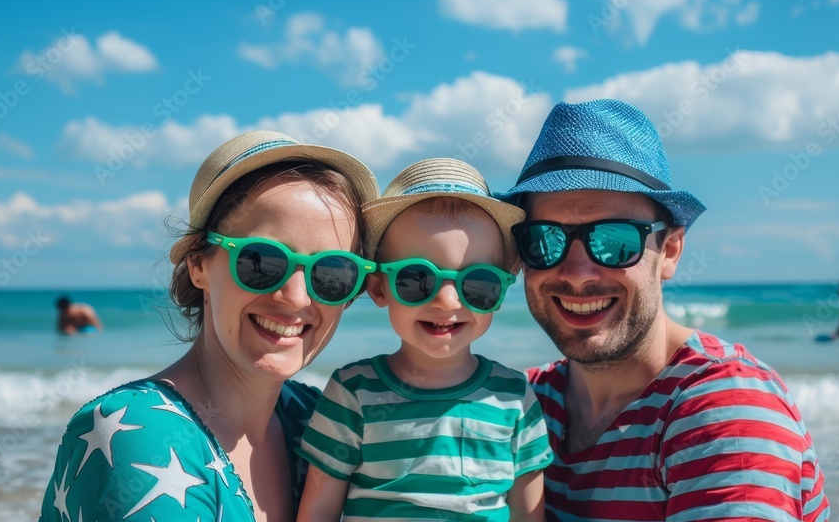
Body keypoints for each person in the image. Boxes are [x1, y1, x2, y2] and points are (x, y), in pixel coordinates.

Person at [498, 100, 831, 521]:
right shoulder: (521, 405)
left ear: (670, 250)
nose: (579, 274)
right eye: (544, 240)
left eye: (614, 241)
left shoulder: (725, 409)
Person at [39, 131, 379, 521]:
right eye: (261, 261)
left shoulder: (316, 419)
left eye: (332, 272)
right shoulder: (134, 434)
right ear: (198, 265)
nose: (298, 297)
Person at [297, 158, 554, 521]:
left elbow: (529, 516)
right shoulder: (352, 392)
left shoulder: (514, 397)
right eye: (416, 279)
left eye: (477, 284)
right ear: (377, 288)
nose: (448, 301)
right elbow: (319, 511)